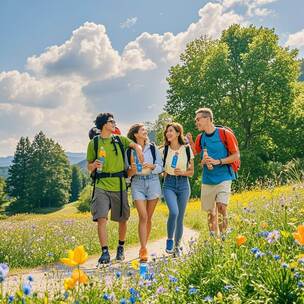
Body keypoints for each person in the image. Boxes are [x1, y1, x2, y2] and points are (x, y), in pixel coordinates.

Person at [87, 113, 143, 265]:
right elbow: (88, 167)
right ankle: (105, 251)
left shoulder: (120, 139)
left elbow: (135, 144)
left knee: (122, 219)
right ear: (104, 124)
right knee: (101, 218)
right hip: (101, 185)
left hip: (119, 184)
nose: (114, 124)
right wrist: (94, 166)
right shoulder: (94, 143)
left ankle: (120, 247)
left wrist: (138, 149)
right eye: (111, 121)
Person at [192, 107, 240, 237]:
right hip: (208, 179)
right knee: (210, 212)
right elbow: (195, 154)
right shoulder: (200, 138)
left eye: (198, 119)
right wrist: (203, 161)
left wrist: (218, 161)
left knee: (221, 207)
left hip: (224, 176)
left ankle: (224, 238)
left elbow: (236, 155)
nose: (196, 122)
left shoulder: (224, 134)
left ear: (207, 119)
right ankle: (213, 240)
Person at [126, 123, 163, 262]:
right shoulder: (129, 150)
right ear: (135, 134)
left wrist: (152, 166)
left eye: (145, 130)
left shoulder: (153, 148)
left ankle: (144, 246)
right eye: (142, 130)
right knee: (143, 216)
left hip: (153, 181)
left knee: (148, 217)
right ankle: (143, 248)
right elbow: (127, 173)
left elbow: (161, 167)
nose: (145, 131)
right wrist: (133, 170)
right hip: (137, 183)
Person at [161, 122, 194, 256]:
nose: (168, 133)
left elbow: (191, 172)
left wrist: (183, 173)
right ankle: (169, 239)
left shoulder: (186, 149)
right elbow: (159, 167)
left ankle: (176, 247)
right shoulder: (164, 150)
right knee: (174, 212)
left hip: (183, 184)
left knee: (180, 217)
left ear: (178, 133)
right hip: (169, 183)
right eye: (167, 131)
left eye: (171, 131)